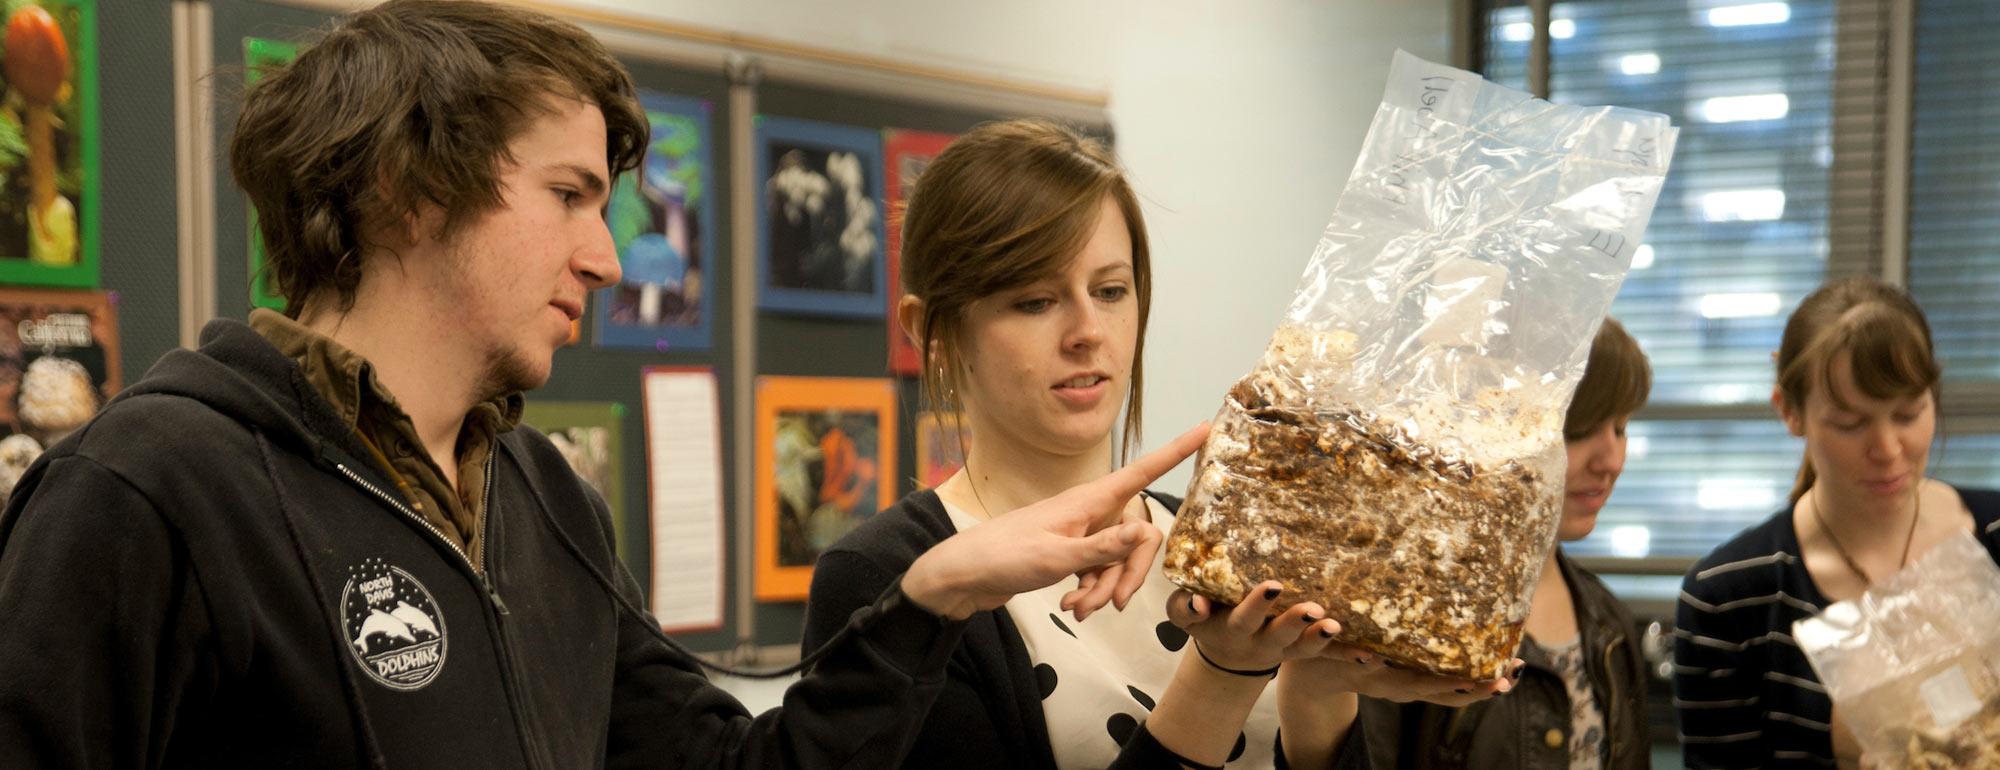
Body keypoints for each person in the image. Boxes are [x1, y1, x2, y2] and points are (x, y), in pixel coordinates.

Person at [0, 3, 1211, 767]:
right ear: (409, 192)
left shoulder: (538, 496)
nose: (607, 254)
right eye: (569, 194)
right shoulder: (145, 491)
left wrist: (929, 596)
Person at [803, 119, 1511, 770]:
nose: (1088, 331)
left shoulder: (1214, 547)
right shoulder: (890, 579)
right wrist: (1222, 674)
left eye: (1110, 291)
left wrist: (1318, 690)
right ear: (932, 331)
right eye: (1034, 301)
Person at [1673, 277, 2000, 769]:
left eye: (1908, 414)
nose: (1888, 450)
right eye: (1850, 424)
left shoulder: (1993, 535)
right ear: (1790, 412)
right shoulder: (1730, 598)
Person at [1355, 318, 1654, 769]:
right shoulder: (1408, 613)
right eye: (1578, 430)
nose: (1610, 460)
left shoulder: (1609, 621)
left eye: (1621, 428)